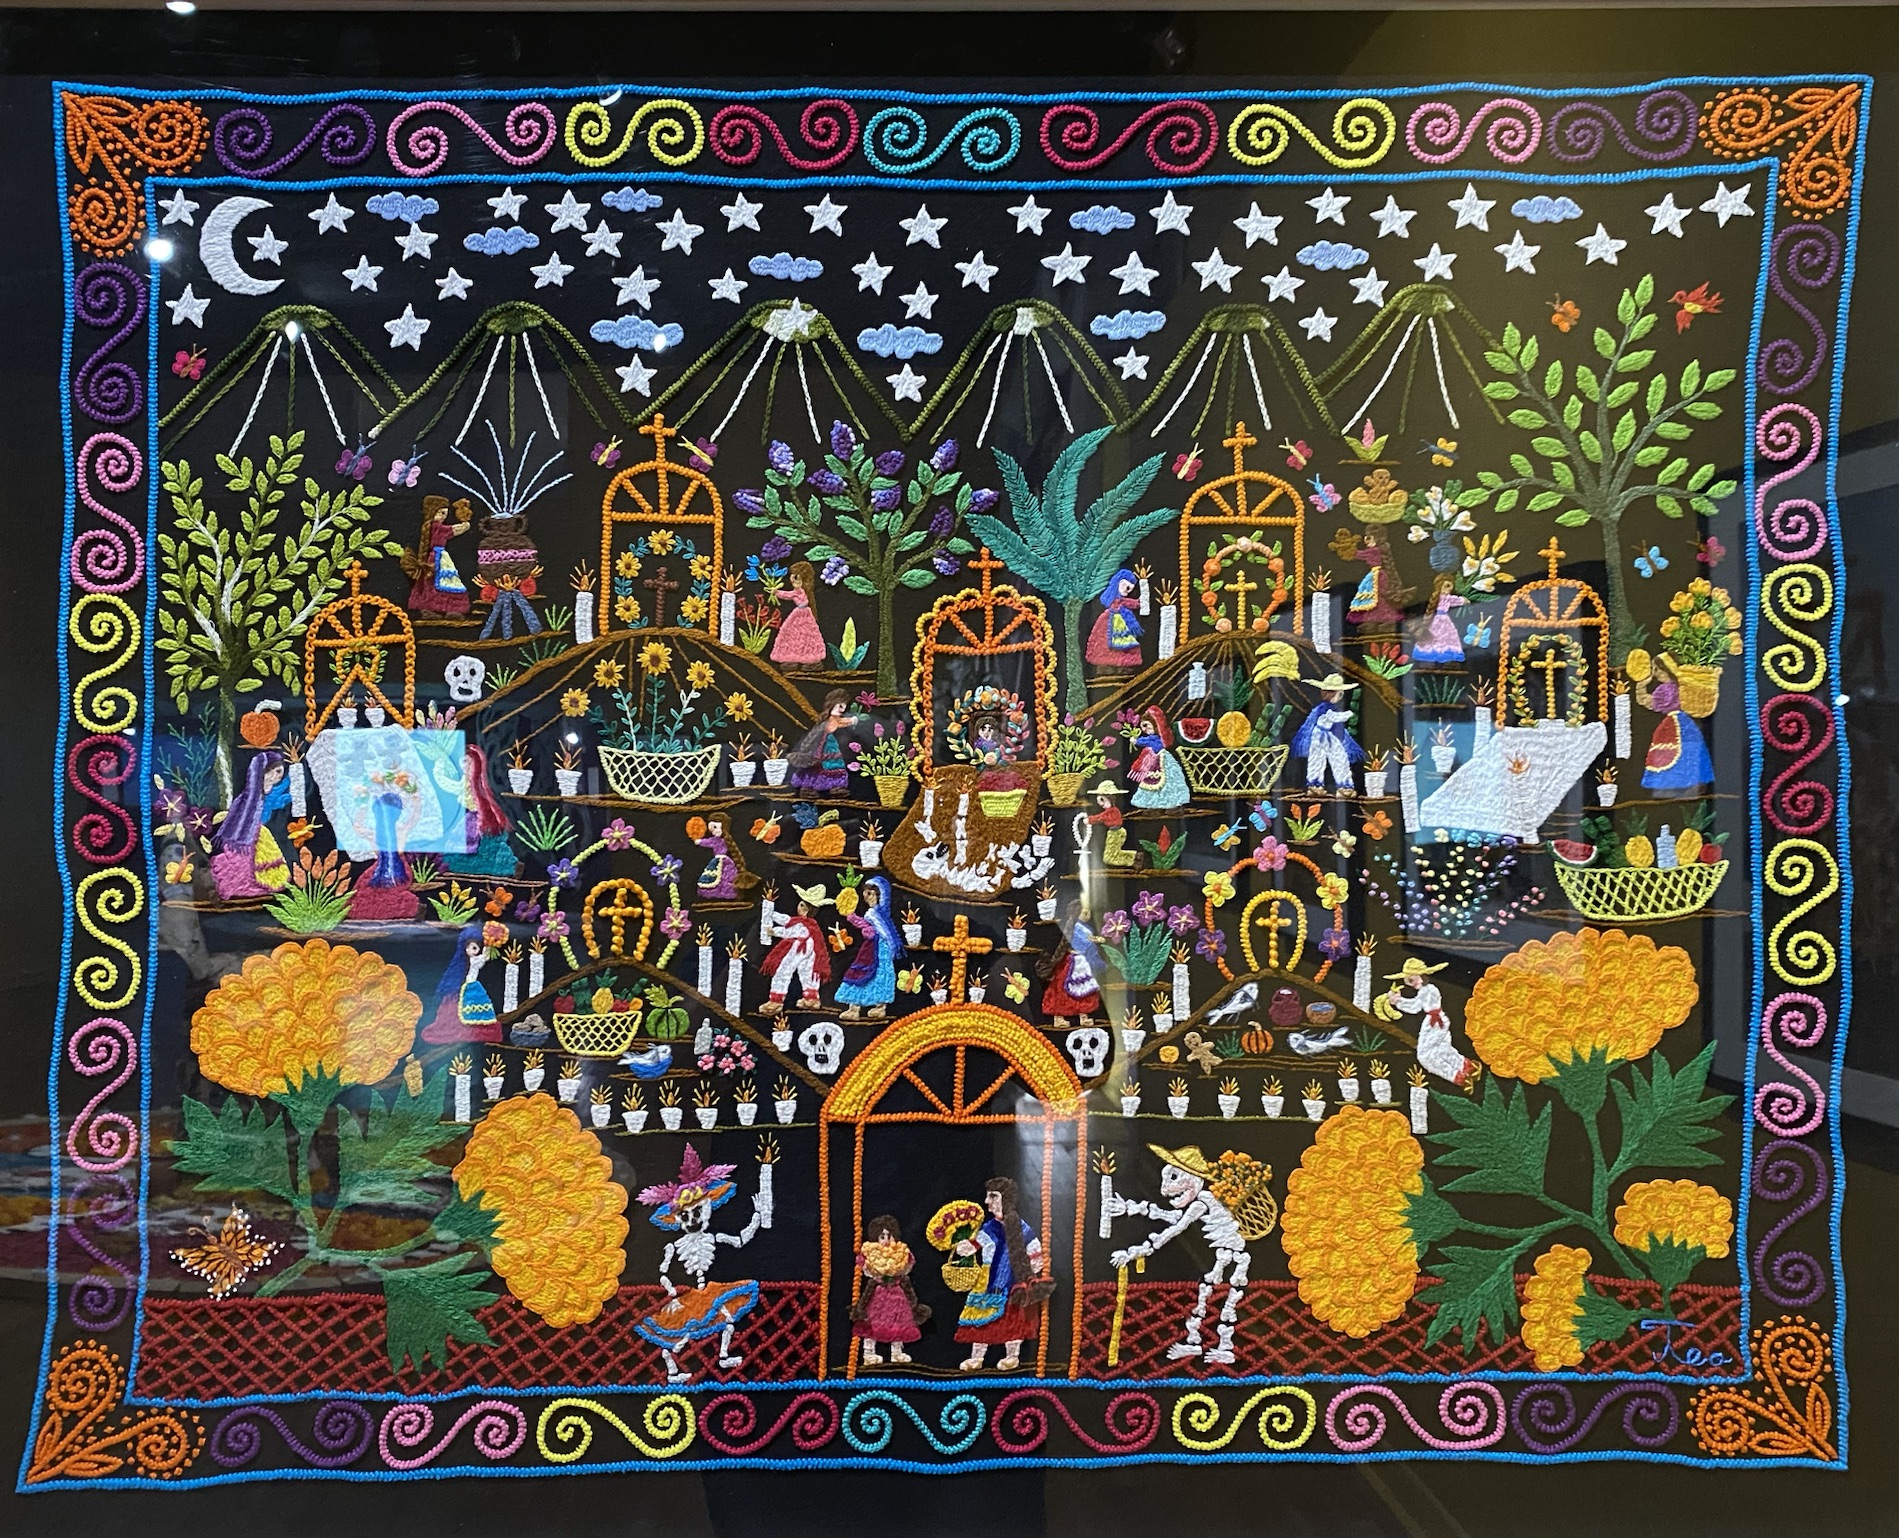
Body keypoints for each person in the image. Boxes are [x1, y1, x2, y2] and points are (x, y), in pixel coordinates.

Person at [1105, 1145, 1273, 1364]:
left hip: (1233, 1260)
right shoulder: (1202, 1204)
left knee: (1224, 1302)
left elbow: (1177, 1227)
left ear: (1195, 1178)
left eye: (1174, 1177)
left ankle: (1226, 1348)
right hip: (1224, 1258)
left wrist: (1136, 1251)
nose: (1165, 1190)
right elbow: (1175, 1217)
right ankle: (1195, 1342)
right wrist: (1131, 1208)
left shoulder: (1202, 1202)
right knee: (1205, 1297)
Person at [636, 1143, 774, 1384]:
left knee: (727, 1321)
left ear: (707, 1208)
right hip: (686, 1297)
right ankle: (671, 1370)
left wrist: (756, 1217)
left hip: (708, 1292)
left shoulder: (712, 1237)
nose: (693, 1220)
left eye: (697, 1212)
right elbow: (663, 1273)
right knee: (680, 1336)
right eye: (686, 1215)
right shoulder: (674, 1246)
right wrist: (672, 1293)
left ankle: (723, 1356)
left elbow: (740, 1240)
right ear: (677, 1219)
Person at [954, 1176, 1053, 1371]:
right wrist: (964, 1247)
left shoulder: (1022, 1229)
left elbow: (1037, 1256)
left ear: (1005, 1199)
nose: (987, 1201)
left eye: (993, 1196)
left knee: (1012, 1320)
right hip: (987, 1281)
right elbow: (976, 1244)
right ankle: (977, 1357)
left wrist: (1025, 1273)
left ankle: (1012, 1356)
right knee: (980, 1318)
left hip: (1012, 1283)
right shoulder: (989, 1227)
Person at [1374, 956, 1475, 1087]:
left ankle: (1456, 1076)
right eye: (1408, 982)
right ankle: (1466, 1066)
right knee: (1443, 1049)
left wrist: (1398, 1001)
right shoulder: (1428, 989)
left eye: (1411, 980)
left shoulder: (1427, 990)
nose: (1410, 984)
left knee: (1424, 1056)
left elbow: (1415, 1007)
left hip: (1435, 1023)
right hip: (1437, 1021)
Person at [209, 749, 291, 899]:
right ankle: (241, 884)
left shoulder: (257, 794)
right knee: (245, 860)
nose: (277, 777)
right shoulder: (250, 797)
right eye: (276, 772)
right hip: (246, 837)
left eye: (280, 773)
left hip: (254, 834)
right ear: (264, 771)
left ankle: (250, 881)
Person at [851, 1214, 930, 1366]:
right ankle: (869, 1353)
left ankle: (896, 1353)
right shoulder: (870, 1254)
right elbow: (866, 1270)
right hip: (878, 1294)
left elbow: (906, 1269)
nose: (886, 1241)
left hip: (897, 1294)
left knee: (899, 1321)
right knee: (871, 1322)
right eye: (882, 1236)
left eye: (890, 1236)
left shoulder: (902, 1253)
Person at [1632, 654, 1714, 791]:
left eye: (1656, 669)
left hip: (1674, 724)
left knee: (1675, 750)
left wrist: (1641, 686)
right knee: (1688, 752)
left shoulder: (1666, 690)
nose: (1654, 673)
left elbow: (1647, 702)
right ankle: (1689, 782)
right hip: (1686, 723)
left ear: (1666, 669)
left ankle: (1670, 783)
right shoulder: (1681, 686)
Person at [422, 924, 502, 1045]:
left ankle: (476, 1025)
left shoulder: (475, 961)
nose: (471, 951)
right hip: (467, 986)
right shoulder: (463, 963)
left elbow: (484, 958)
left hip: (472, 986)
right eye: (469, 948)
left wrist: (489, 945)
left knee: (476, 1004)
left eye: (475, 948)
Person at [835, 874, 899, 1021]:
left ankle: (862, 1008)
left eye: (870, 893)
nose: (866, 897)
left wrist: (859, 923)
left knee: (873, 974)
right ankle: (867, 1007)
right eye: (865, 893)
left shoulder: (874, 913)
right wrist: (854, 919)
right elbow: (869, 927)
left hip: (877, 949)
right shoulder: (877, 914)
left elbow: (878, 931)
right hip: (874, 948)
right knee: (873, 973)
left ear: (879, 895)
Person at [1291, 673, 1366, 794]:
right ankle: (1319, 785)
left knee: (1332, 758)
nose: (1339, 696)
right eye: (1338, 693)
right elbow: (1332, 717)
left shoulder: (1328, 707)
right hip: (1323, 736)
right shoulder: (1324, 708)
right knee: (1328, 758)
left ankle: (1338, 786)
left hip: (1325, 735)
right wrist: (1347, 714)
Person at [1040, 897, 1106, 1027]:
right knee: (1061, 989)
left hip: (1082, 962)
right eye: (1084, 912)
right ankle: (1058, 1017)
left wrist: (1095, 940)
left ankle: (1083, 1015)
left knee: (1085, 989)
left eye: (1089, 912)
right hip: (1070, 962)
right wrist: (1093, 941)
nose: (1088, 915)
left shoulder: (1086, 927)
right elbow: (1080, 942)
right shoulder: (1073, 927)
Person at [405, 495, 472, 617]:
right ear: (433, 512)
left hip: (432, 558)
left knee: (431, 583)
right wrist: (465, 524)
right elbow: (453, 530)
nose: (444, 517)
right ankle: (449, 608)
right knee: (446, 582)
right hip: (438, 558)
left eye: (445, 514)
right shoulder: (436, 527)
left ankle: (429, 608)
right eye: (442, 513)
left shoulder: (428, 526)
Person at [760, 897, 830, 1014]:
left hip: (800, 948)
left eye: (802, 905)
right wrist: (771, 912)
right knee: (807, 971)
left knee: (784, 969)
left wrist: (774, 931)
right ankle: (811, 999)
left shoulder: (804, 924)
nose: (799, 907)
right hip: (810, 949)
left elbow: (790, 932)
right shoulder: (806, 922)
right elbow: (786, 920)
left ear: (807, 910)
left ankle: (776, 1001)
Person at [789, 689, 860, 795]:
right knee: (827, 764)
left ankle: (831, 786)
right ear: (832, 705)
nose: (842, 710)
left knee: (829, 764)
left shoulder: (828, 720)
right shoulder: (830, 720)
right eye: (840, 706)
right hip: (824, 746)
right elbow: (840, 722)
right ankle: (813, 787)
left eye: (844, 707)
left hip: (828, 744)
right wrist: (852, 720)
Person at [1127, 707, 1189, 810]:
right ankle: (1156, 805)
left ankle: (1168, 805)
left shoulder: (1156, 739)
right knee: (1154, 782)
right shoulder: (1155, 738)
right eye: (1142, 727)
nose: (1144, 729)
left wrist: (1136, 741)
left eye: (1146, 725)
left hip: (1161, 761)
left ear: (1155, 724)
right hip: (1155, 760)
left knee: (1166, 782)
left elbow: (1151, 742)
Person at [770, 559, 826, 668]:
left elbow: (788, 595)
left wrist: (776, 592)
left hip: (803, 615)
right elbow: (787, 594)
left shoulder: (802, 591)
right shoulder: (801, 592)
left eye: (795, 577)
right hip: (800, 613)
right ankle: (795, 658)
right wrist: (777, 592)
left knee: (803, 634)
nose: (791, 579)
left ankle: (807, 658)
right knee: (796, 634)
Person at [1086, 567, 1144, 669]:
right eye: (1127, 588)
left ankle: (1120, 659)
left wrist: (1137, 603)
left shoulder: (1119, 601)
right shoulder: (1115, 600)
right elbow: (1125, 603)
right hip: (1112, 620)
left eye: (1130, 589)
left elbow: (1125, 602)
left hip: (1117, 619)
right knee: (1105, 638)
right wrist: (1136, 603)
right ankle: (1110, 659)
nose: (1127, 592)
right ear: (1120, 583)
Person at [1410, 576, 1468, 664]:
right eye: (1447, 586)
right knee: (1443, 634)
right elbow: (1456, 600)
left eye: (1451, 586)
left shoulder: (1440, 597)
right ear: (1440, 586)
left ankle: (1438, 652)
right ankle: (1441, 652)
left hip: (1439, 618)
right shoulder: (1445, 598)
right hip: (1441, 619)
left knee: (1441, 635)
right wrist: (1464, 600)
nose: (1450, 589)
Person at [690, 814, 749, 899]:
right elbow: (707, 842)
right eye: (711, 829)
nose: (713, 831)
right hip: (722, 860)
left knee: (726, 876)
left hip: (720, 861)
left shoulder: (718, 840)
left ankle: (724, 892)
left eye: (715, 828)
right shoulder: (721, 840)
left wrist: (698, 841)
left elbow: (706, 842)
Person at [1085, 779, 1135, 867]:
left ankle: (1134, 858)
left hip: (1116, 833)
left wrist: (1089, 820)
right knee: (1111, 854)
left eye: (1102, 800)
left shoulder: (1112, 811)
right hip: (1114, 832)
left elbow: (1101, 817)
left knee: (1109, 857)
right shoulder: (1112, 810)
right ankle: (1135, 858)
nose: (1100, 804)